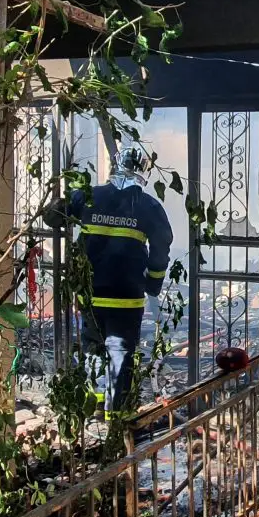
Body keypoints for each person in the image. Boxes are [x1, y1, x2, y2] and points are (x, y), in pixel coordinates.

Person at [47, 143, 172, 413]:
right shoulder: (149, 206)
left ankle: (92, 412)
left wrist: (60, 196)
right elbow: (161, 249)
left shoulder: (89, 196)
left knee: (92, 352)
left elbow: (52, 217)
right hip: (126, 298)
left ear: (116, 164)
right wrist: (153, 283)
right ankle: (117, 421)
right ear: (144, 171)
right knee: (121, 357)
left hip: (90, 294)